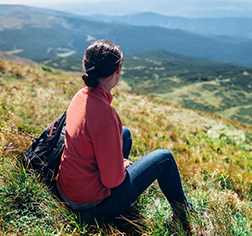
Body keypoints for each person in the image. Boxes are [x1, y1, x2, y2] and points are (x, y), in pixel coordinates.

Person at [56, 39, 198, 231]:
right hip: (91, 207)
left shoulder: (80, 95)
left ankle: (121, 185)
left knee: (125, 134)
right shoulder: (106, 116)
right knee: (165, 158)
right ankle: (184, 212)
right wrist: (121, 166)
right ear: (118, 69)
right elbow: (112, 181)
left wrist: (118, 163)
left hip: (67, 189)